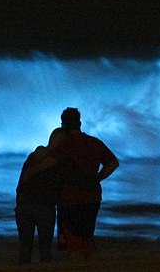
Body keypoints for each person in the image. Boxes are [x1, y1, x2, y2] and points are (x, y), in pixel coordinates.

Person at [24, 108, 119, 260]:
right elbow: (114, 163)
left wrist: (30, 172)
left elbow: (48, 163)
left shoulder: (66, 145)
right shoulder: (95, 142)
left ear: (63, 125)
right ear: (79, 123)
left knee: (72, 241)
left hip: (70, 200)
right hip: (93, 198)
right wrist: (98, 178)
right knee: (87, 237)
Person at [14, 128, 66, 264]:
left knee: (25, 247)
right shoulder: (59, 161)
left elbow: (24, 180)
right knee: (45, 248)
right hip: (45, 206)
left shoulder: (36, 154)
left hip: (24, 203)